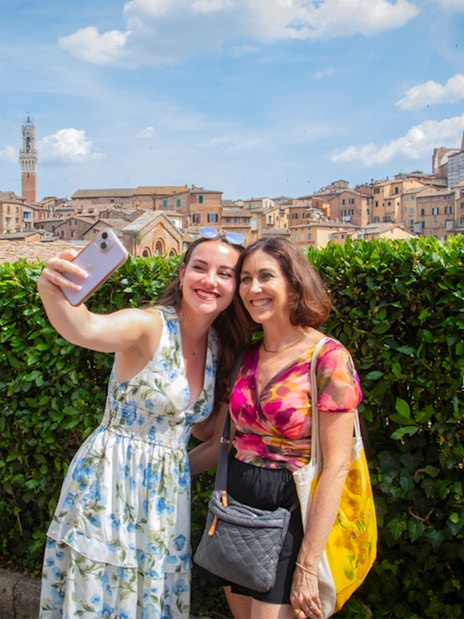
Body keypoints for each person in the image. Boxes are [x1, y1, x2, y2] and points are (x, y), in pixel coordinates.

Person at [37, 228, 248, 619]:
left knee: (151, 600)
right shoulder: (148, 325)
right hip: (109, 484)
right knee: (99, 597)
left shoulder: (219, 347)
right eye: (199, 268)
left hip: (165, 504)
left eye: (225, 273)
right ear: (182, 274)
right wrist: (53, 286)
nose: (210, 281)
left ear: (235, 287)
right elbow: (84, 328)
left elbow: (204, 437)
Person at [191, 237, 362, 619]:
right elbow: (221, 441)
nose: (253, 289)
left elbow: (336, 466)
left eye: (266, 276)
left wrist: (307, 563)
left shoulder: (328, 358)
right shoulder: (246, 356)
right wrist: (162, 470)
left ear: (293, 283)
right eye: (246, 278)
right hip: (235, 508)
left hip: (292, 509)